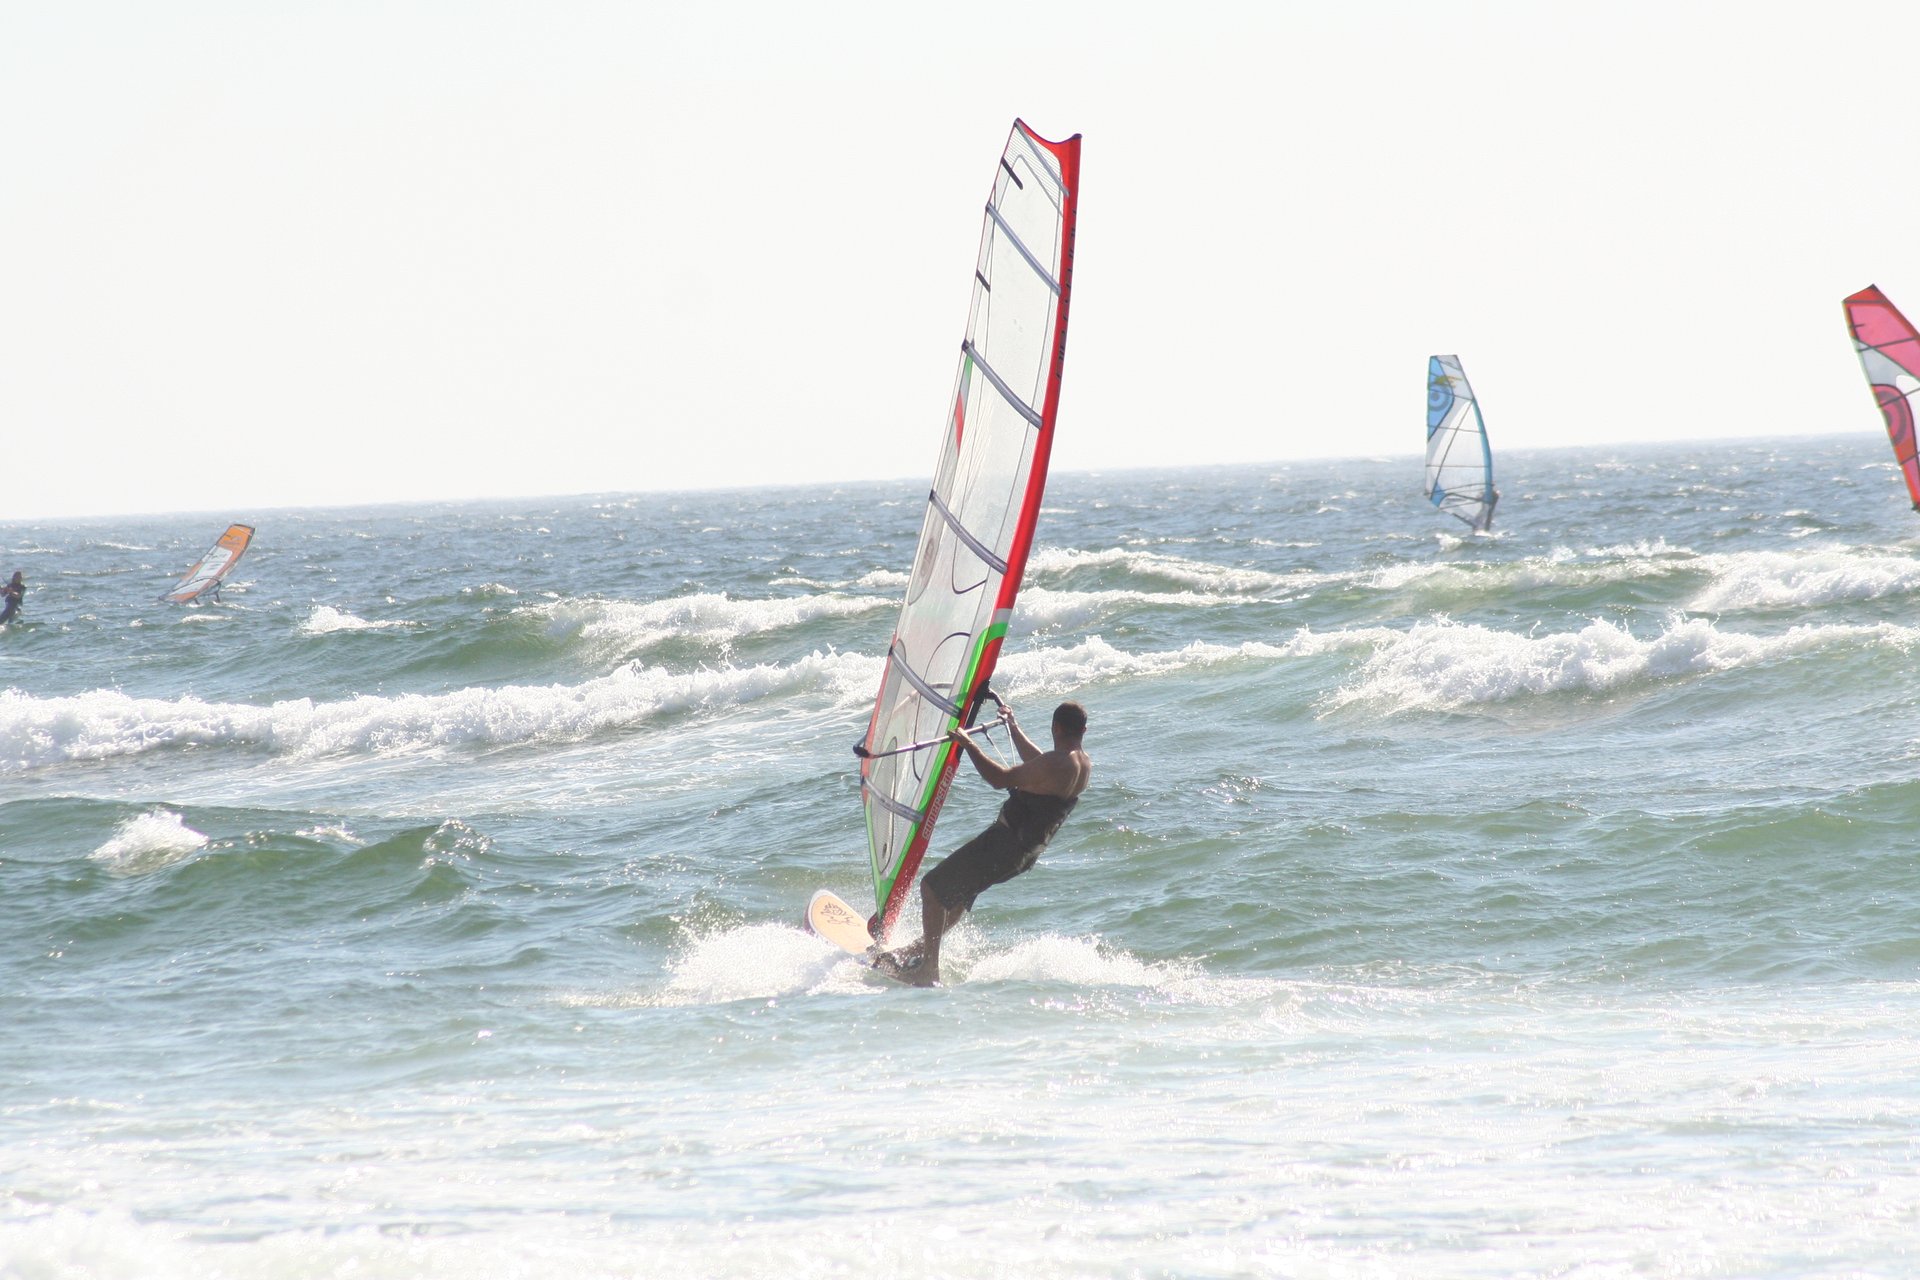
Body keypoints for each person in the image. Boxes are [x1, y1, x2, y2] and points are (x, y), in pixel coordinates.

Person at [874, 700, 1091, 987]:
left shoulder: (1057, 762)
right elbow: (1039, 766)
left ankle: (928, 970)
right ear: (1083, 730)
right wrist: (1012, 727)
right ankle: (914, 952)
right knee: (957, 898)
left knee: (933, 889)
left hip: (1005, 843)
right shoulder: (1080, 763)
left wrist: (968, 744)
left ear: (1056, 727)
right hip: (1023, 854)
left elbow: (999, 779)